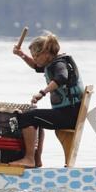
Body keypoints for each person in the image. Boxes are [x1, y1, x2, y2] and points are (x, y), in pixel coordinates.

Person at [11, 31, 84, 168]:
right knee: (35, 118)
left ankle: (29, 159)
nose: (35, 59)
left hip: (68, 116)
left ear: (45, 53)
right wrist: (21, 54)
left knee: (26, 118)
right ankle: (36, 160)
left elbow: (62, 78)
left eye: (36, 56)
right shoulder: (53, 62)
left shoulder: (59, 65)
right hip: (70, 113)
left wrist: (42, 93)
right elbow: (36, 66)